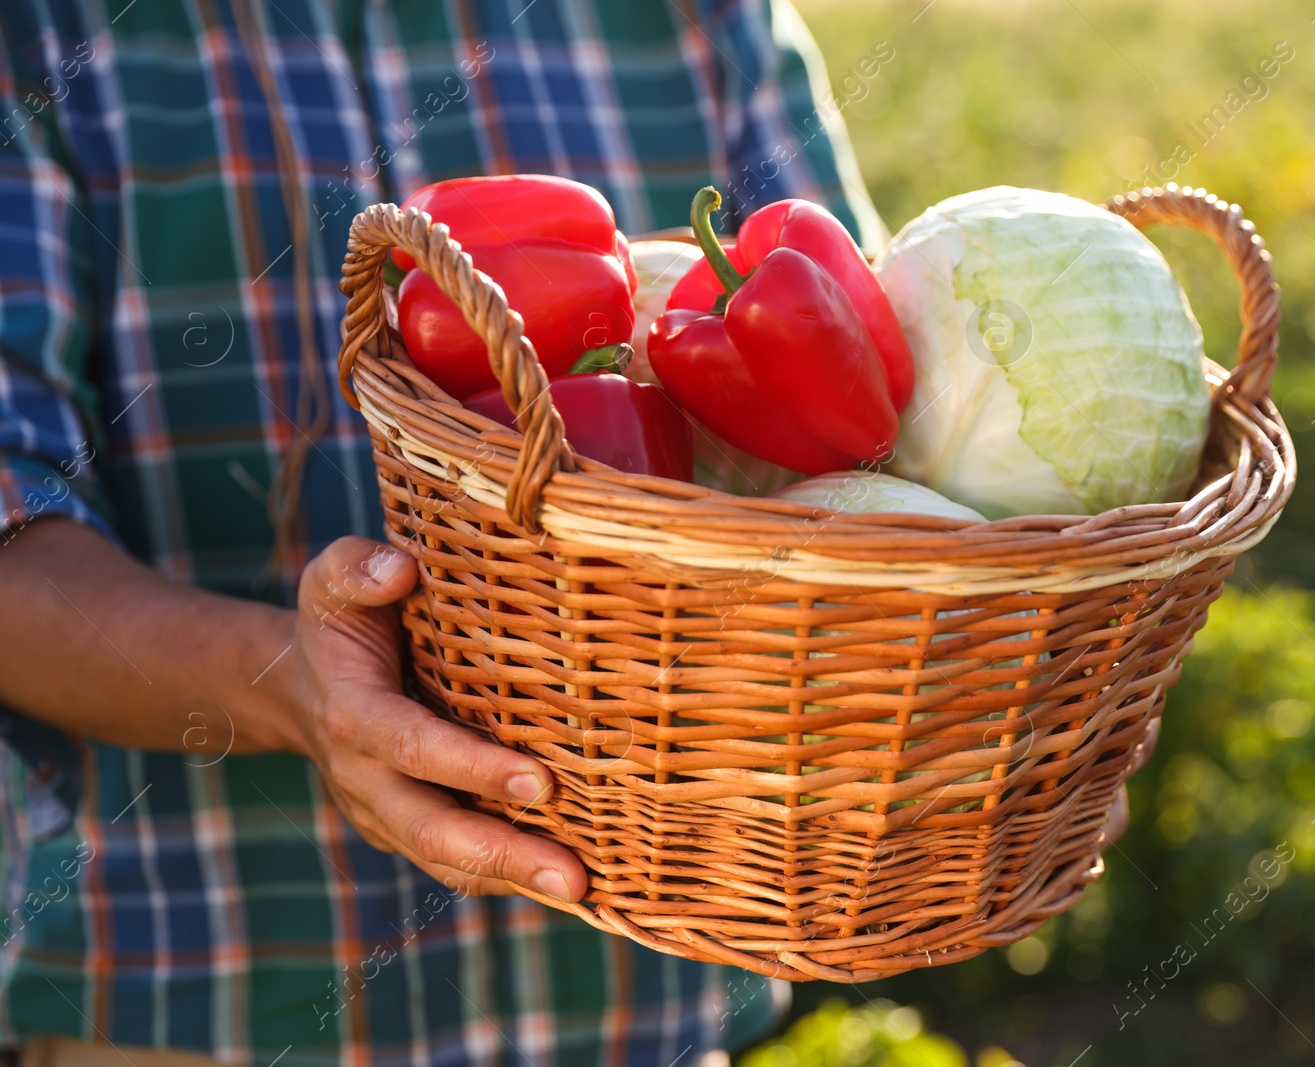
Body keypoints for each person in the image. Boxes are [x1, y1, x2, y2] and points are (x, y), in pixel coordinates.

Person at [0, 1, 885, 1063]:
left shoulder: (697, 15)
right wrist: (295, 683)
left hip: (647, 1000)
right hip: (211, 1002)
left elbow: (878, 426)